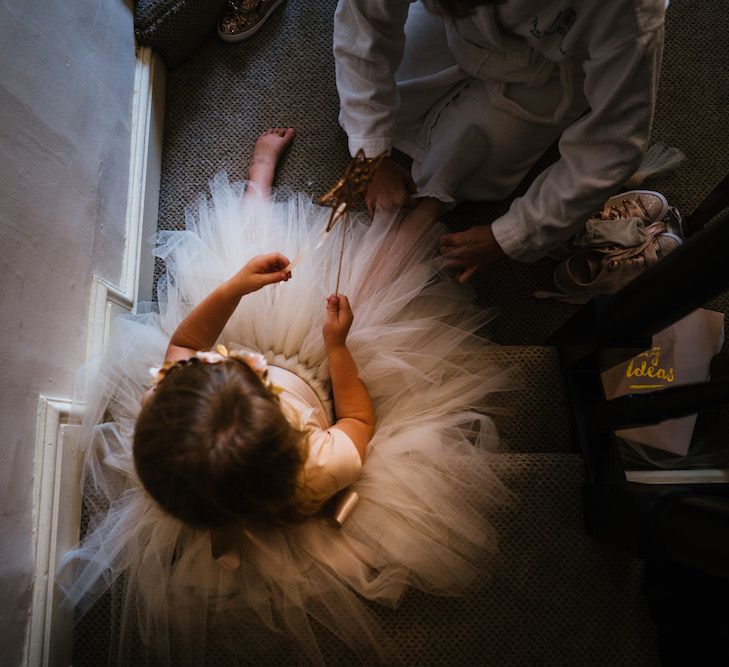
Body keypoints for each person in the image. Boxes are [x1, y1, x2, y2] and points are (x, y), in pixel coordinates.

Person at [59, 128, 510, 664]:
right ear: (289, 438)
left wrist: (235, 288)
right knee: (373, 284)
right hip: (320, 372)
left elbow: (184, 341)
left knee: (250, 256)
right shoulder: (321, 468)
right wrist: (336, 347)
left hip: (264, 341)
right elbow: (359, 419)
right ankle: (428, 212)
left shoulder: (176, 398)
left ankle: (258, 182)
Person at [333, 0, 667, 282]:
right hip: (460, 28)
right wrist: (371, 155)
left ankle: (441, 194)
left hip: (553, 66)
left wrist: (512, 234)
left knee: (481, 161)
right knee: (388, 101)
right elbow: (362, 26)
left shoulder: (628, 13)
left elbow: (613, 143)